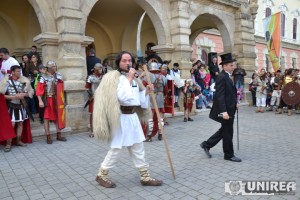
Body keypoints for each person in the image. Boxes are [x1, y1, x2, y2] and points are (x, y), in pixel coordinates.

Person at [92, 51, 162, 188]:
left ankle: (145, 176)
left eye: (129, 60)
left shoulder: (135, 79)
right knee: (116, 149)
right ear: (118, 62)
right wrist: (130, 79)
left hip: (132, 118)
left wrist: (146, 92)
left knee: (138, 147)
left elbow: (139, 102)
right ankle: (101, 174)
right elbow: (123, 97)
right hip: (120, 118)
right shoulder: (113, 78)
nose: (127, 63)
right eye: (124, 60)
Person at [200, 53, 241, 162]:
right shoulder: (221, 77)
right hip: (226, 110)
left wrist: (235, 102)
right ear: (225, 66)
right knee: (228, 132)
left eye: (233, 65)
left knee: (225, 130)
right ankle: (228, 155)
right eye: (232, 65)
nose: (233, 67)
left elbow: (230, 93)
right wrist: (224, 112)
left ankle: (207, 144)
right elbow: (220, 96)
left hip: (230, 107)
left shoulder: (227, 75)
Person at [0, 65, 34, 152]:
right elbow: (2, 95)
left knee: (20, 123)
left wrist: (24, 95)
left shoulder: (24, 81)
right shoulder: (6, 81)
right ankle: (9, 143)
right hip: (12, 105)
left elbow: (30, 92)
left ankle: (19, 140)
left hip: (22, 105)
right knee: (11, 125)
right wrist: (13, 97)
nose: (19, 73)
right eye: (18, 71)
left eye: (20, 71)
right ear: (13, 72)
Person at [36, 61, 67, 144]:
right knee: (46, 118)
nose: (55, 67)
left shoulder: (59, 76)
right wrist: (40, 101)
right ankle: (48, 136)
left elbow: (61, 89)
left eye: (55, 66)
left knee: (58, 116)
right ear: (49, 68)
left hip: (57, 99)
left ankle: (58, 134)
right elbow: (38, 90)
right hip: (47, 99)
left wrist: (62, 100)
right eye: (53, 66)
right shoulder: (43, 77)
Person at [145, 62, 167, 142]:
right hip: (160, 97)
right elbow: (166, 89)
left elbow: (143, 86)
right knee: (160, 118)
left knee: (150, 118)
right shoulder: (163, 77)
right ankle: (160, 134)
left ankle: (149, 136)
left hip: (152, 97)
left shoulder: (148, 76)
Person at [85, 63, 104, 137]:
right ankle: (92, 131)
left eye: (101, 68)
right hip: (93, 98)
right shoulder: (90, 77)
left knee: (102, 114)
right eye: (99, 68)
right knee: (93, 114)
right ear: (95, 69)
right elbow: (87, 88)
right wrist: (91, 95)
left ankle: (101, 130)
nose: (101, 70)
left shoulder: (103, 77)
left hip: (102, 98)